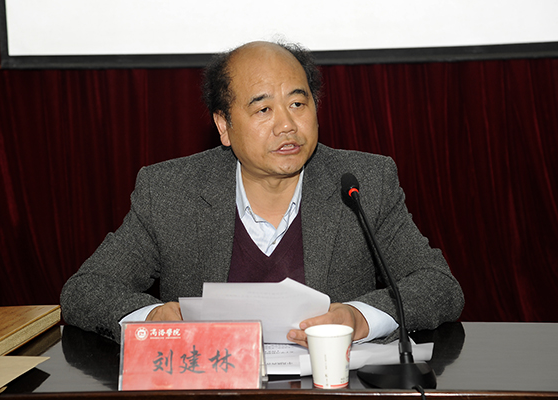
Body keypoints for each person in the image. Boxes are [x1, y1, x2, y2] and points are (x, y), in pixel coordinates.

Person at [60, 41, 464, 346]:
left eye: (298, 103)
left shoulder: (364, 183)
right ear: (224, 125)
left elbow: (438, 284)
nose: (287, 125)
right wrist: (152, 319)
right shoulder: (170, 192)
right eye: (263, 109)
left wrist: (361, 318)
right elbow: (85, 289)